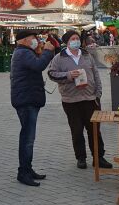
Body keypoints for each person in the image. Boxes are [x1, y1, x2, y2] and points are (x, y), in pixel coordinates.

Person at [47, 30, 110, 170]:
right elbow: (52, 74)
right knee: (76, 130)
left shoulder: (87, 55)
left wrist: (98, 93)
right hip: (71, 100)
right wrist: (68, 75)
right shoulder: (59, 58)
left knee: (94, 130)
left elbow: (96, 74)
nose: (76, 41)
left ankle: (99, 157)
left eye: (77, 38)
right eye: (72, 39)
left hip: (90, 99)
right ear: (67, 42)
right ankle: (81, 158)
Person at [9, 29, 61, 186]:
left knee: (28, 137)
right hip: (26, 100)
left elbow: (36, 64)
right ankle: (23, 172)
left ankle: (27, 168)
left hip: (28, 98)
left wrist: (43, 51)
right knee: (27, 138)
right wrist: (46, 52)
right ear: (24, 40)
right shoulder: (23, 53)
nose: (37, 40)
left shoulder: (24, 52)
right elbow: (39, 66)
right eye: (34, 37)